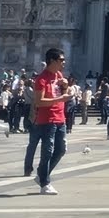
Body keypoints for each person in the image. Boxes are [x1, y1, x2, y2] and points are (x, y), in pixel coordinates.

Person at [33, 47, 68, 196]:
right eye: (61, 60)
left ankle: (42, 174)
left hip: (60, 118)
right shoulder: (41, 79)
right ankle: (45, 183)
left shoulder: (58, 75)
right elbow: (39, 102)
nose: (63, 63)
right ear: (52, 61)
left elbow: (63, 94)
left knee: (61, 150)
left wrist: (65, 86)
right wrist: (59, 99)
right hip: (47, 120)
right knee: (47, 152)